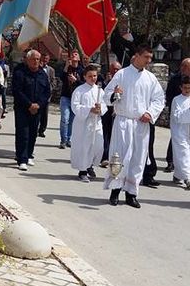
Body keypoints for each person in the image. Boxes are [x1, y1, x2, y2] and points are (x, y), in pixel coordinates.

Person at [103, 45, 165, 208]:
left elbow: (159, 99)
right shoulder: (122, 74)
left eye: (150, 58)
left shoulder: (151, 78)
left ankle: (131, 193)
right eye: (146, 57)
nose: (149, 60)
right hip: (123, 122)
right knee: (119, 157)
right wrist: (116, 94)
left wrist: (150, 113)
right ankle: (115, 191)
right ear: (136, 56)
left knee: (138, 158)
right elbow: (107, 96)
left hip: (140, 124)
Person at [163, 58, 190, 174]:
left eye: (185, 66)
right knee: (177, 142)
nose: (182, 68)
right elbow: (169, 94)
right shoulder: (175, 79)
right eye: (182, 65)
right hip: (179, 113)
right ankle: (171, 162)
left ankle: (186, 168)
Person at [12, 49, 51, 171]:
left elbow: (47, 92)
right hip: (23, 109)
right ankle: (21, 159)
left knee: (33, 133)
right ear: (27, 60)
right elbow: (17, 91)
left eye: (38, 59)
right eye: (33, 59)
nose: (36, 61)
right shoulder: (20, 73)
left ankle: (29, 155)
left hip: (37, 110)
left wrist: (38, 105)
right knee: (23, 134)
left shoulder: (42, 74)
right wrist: (29, 105)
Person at [70, 64, 106, 182]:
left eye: (95, 76)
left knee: (98, 145)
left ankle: (90, 164)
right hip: (84, 123)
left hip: (96, 122)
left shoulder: (100, 91)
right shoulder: (79, 90)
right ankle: (83, 171)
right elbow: (75, 106)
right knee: (84, 146)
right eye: (90, 76)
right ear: (85, 77)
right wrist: (89, 109)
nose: (93, 78)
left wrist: (100, 108)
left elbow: (105, 105)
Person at [170, 76, 190, 190]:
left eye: (189, 88)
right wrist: (189, 110)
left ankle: (178, 175)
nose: (187, 90)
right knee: (183, 153)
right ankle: (188, 179)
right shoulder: (177, 100)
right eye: (185, 88)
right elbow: (177, 116)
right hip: (180, 130)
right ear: (181, 87)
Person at [58, 51, 85, 149]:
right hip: (65, 96)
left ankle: (69, 139)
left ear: (78, 58)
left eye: (76, 54)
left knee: (72, 120)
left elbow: (84, 84)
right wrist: (66, 66)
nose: (74, 55)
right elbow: (61, 78)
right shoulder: (67, 68)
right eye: (72, 54)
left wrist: (76, 80)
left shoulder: (82, 70)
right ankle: (63, 140)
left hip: (76, 98)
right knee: (65, 119)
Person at [100, 61, 122, 167]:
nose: (116, 71)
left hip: (119, 112)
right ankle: (105, 156)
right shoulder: (105, 80)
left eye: (118, 69)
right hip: (107, 111)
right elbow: (103, 93)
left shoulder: (123, 80)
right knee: (106, 134)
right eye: (114, 69)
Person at [38, 53, 57, 138]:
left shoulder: (51, 70)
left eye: (47, 58)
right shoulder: (37, 68)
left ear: (48, 60)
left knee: (44, 114)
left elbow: (53, 81)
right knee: (37, 113)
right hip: (37, 94)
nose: (45, 60)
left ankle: (42, 130)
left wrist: (50, 89)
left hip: (46, 95)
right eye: (44, 58)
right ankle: (35, 129)